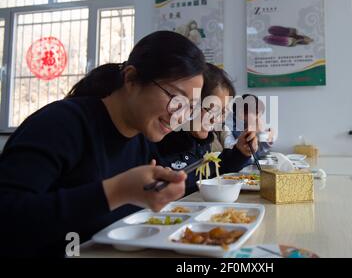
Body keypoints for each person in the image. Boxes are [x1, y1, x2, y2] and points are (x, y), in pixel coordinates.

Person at [0, 31, 206, 257]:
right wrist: (116, 192)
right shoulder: (61, 124)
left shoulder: (139, 138)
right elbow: (8, 220)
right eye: (175, 97)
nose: (180, 115)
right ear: (131, 79)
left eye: (190, 106)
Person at [155, 64, 258, 195]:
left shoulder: (201, 143)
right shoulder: (161, 142)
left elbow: (214, 171)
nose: (217, 119)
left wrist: (240, 153)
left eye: (223, 112)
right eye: (212, 110)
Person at [222, 94, 275, 164]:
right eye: (256, 114)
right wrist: (257, 133)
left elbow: (258, 154)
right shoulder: (227, 127)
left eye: (260, 116)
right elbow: (231, 151)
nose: (258, 119)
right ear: (241, 113)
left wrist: (264, 136)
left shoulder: (246, 126)